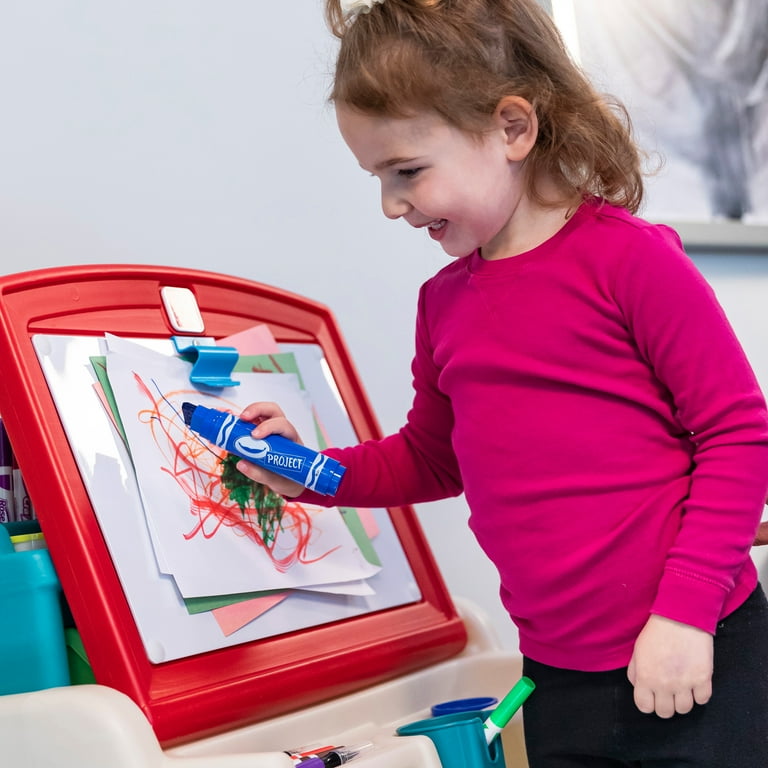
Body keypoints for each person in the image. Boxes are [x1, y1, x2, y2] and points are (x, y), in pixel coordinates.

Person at [236, 1, 768, 765]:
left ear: (512, 128)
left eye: (407, 172)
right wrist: (306, 471)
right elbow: (431, 458)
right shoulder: (444, 304)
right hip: (557, 675)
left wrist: (685, 618)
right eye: (378, 178)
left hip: (696, 645)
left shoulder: (632, 262)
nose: (390, 205)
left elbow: (739, 434)